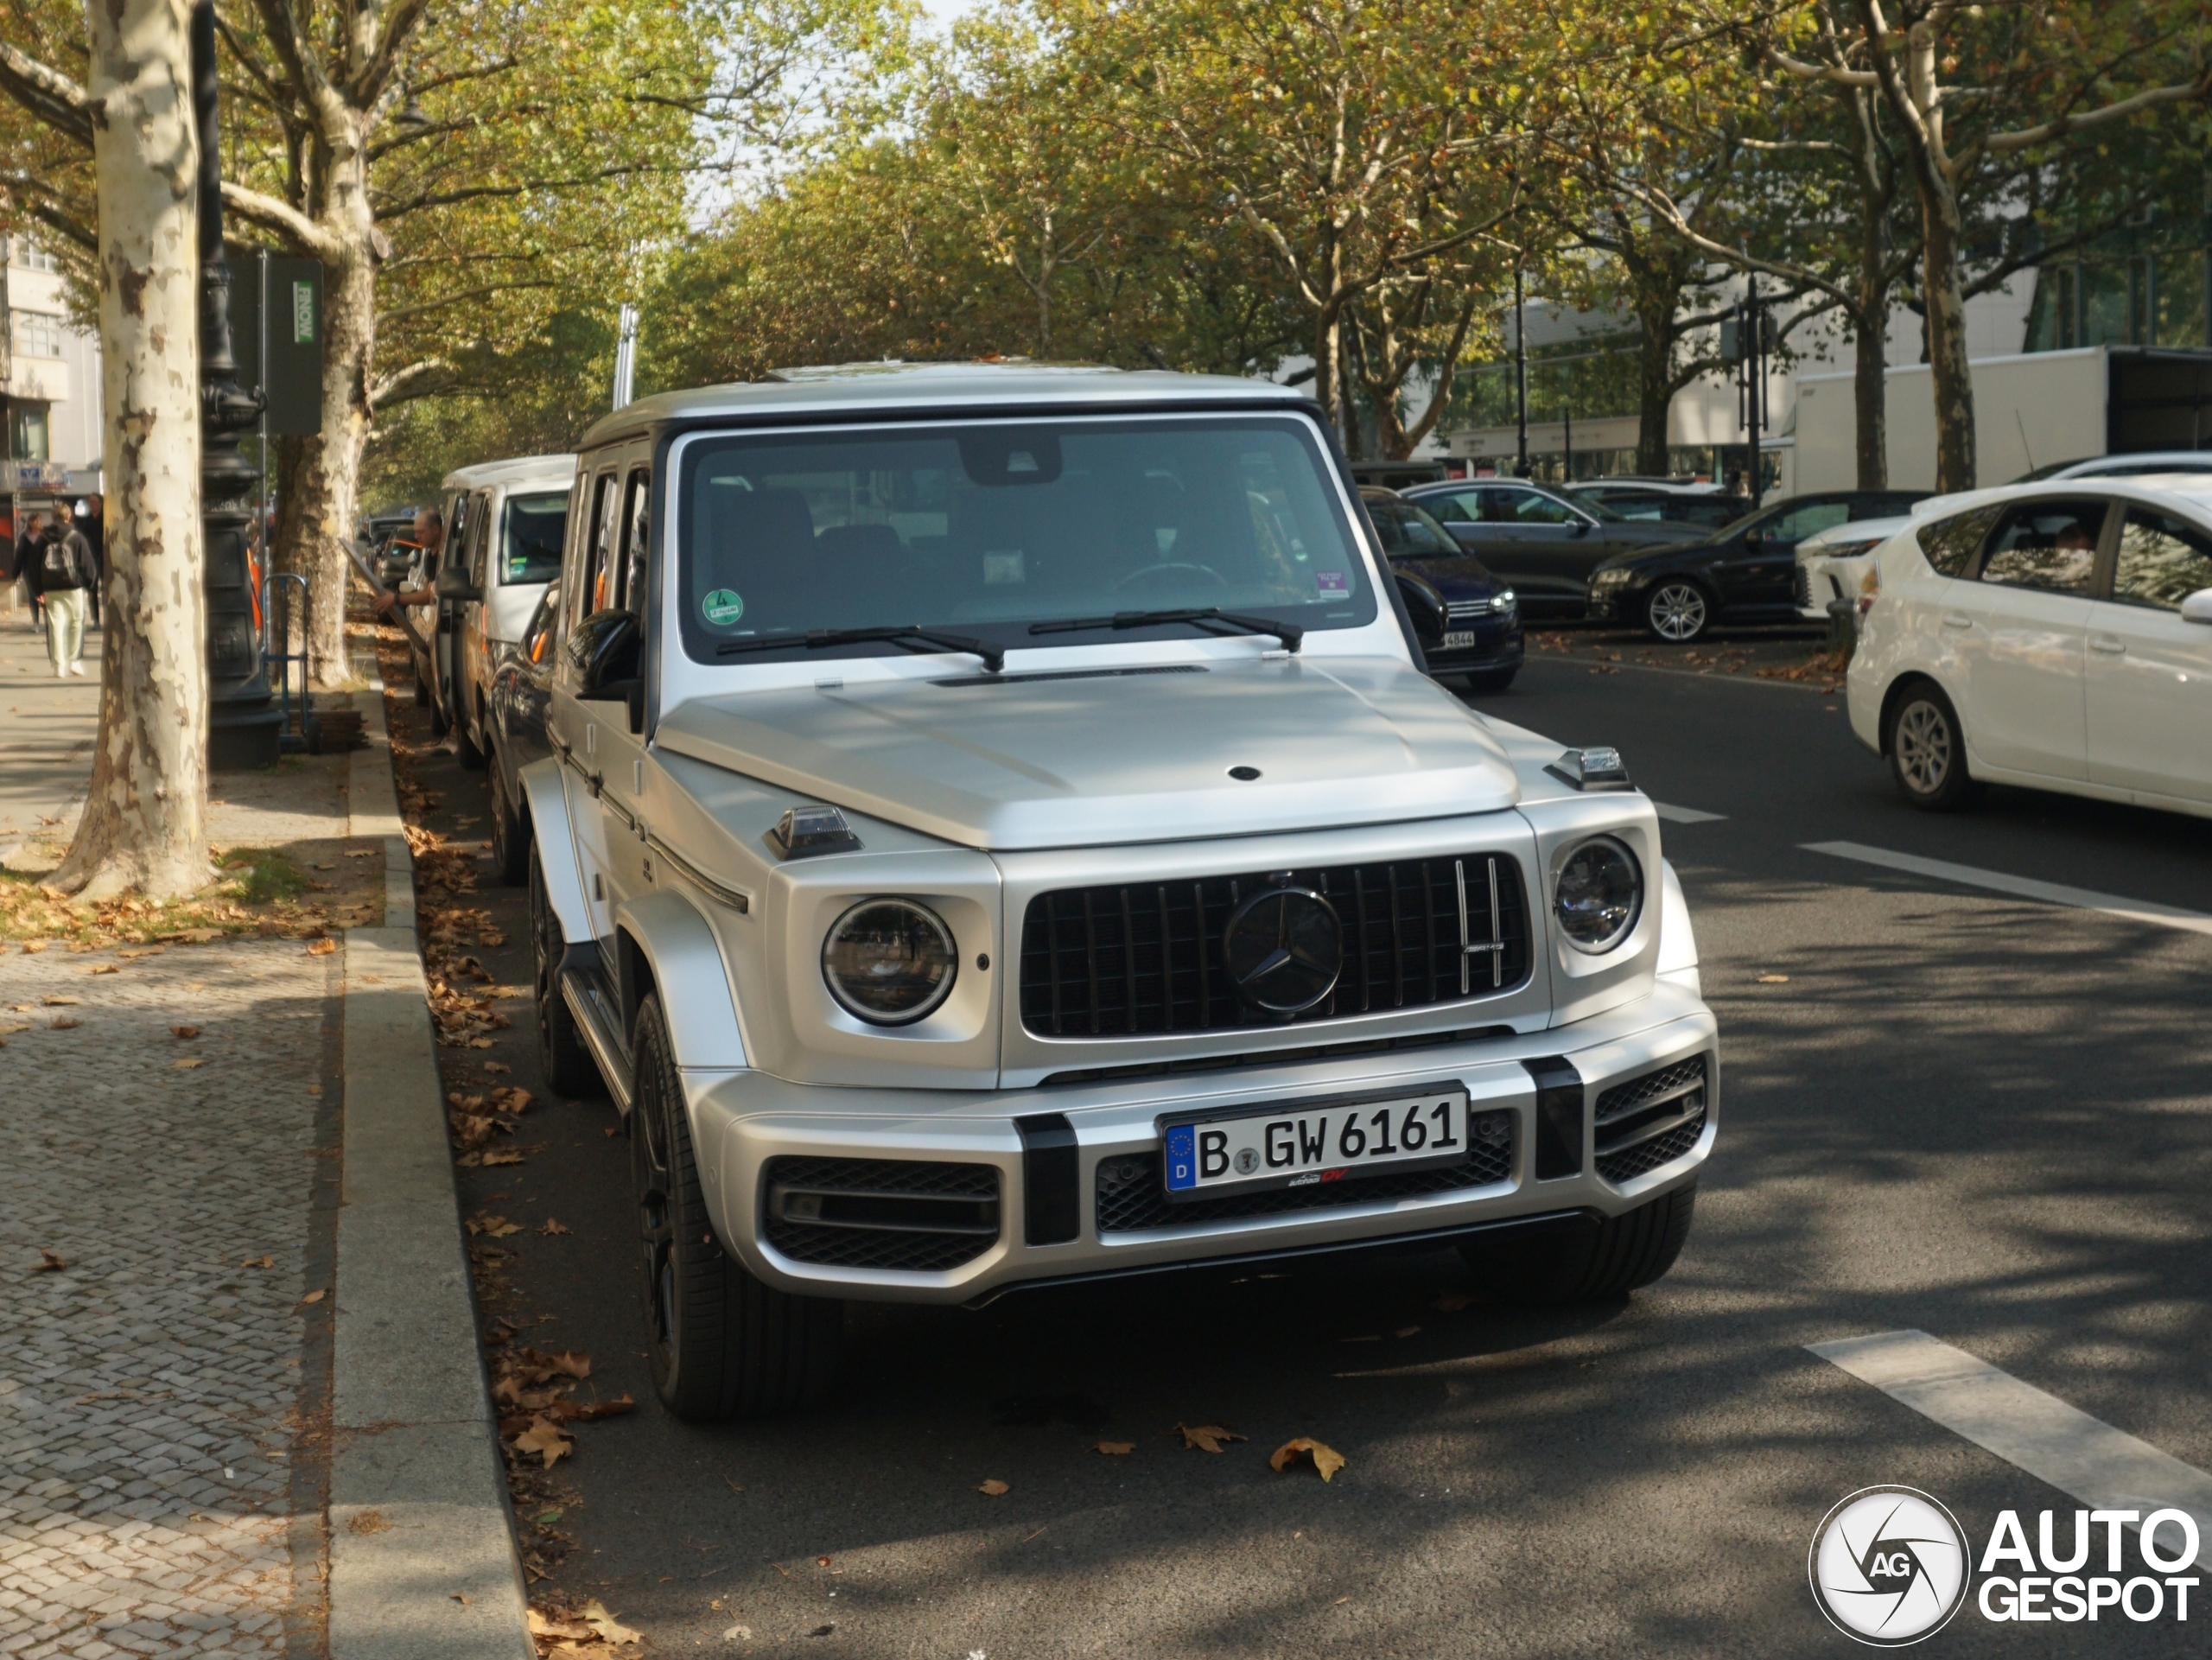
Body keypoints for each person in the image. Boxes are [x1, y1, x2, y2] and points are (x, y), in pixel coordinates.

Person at [34, 513, 94, 677]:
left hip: (51, 588)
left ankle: (58, 666)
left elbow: (35, 566)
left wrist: (38, 591)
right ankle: (74, 661)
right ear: (68, 516)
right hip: (73, 587)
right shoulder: (77, 538)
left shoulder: (42, 539)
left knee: (55, 625)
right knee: (76, 623)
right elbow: (88, 565)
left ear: (53, 517)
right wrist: (86, 585)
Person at [373, 506, 444, 615]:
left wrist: (395, 598)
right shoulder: (429, 556)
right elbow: (427, 591)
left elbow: (429, 596)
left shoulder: (444, 558)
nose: (416, 536)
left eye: (421, 532)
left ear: (436, 530)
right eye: (415, 532)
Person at [72, 496, 104, 626]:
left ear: (101, 504)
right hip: (91, 558)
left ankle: (109, 619)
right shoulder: (85, 522)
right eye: (90, 502)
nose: (92, 505)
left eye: (95, 502)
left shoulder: (107, 518)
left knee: (108, 591)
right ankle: (95, 619)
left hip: (106, 558)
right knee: (92, 590)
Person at [11, 512, 43, 631]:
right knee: (33, 595)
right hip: (29, 570)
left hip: (43, 569)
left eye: (39, 520)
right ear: (30, 522)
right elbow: (19, 555)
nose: (38, 523)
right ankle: (36, 622)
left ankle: (48, 620)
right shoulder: (24, 537)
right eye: (35, 520)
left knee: (45, 595)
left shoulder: (44, 535)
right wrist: (16, 573)